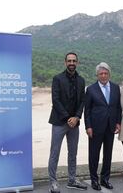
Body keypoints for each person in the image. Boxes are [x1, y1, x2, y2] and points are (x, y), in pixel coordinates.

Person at [47, 52, 87, 193]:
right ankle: (53, 181)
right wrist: (67, 118)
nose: (71, 63)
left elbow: (83, 101)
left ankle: (72, 179)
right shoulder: (57, 78)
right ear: (65, 62)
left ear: (77, 62)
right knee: (55, 153)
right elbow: (55, 100)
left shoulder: (81, 80)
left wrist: (76, 117)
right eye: (69, 61)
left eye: (74, 61)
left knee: (73, 152)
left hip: (74, 123)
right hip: (59, 122)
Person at [84, 62, 122, 191]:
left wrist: (118, 122)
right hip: (95, 127)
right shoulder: (90, 89)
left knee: (108, 154)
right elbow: (87, 110)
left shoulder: (116, 88)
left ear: (109, 74)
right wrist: (88, 126)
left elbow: (118, 107)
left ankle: (105, 179)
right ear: (97, 75)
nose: (104, 76)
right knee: (94, 154)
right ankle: (94, 180)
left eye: (106, 73)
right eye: (101, 74)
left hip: (110, 126)